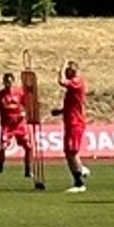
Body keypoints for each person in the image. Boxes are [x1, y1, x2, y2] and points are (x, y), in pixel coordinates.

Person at [0, 72, 33, 179]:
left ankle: (28, 170)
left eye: (10, 81)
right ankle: (0, 168)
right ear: (3, 82)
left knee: (28, 147)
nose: (8, 84)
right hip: (7, 126)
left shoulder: (19, 93)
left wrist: (25, 113)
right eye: (6, 82)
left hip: (19, 125)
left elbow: (28, 106)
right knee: (3, 147)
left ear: (13, 81)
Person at [50, 61, 89, 192]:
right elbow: (73, 105)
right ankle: (80, 171)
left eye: (68, 71)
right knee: (69, 152)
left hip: (75, 123)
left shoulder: (76, 82)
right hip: (70, 121)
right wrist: (61, 111)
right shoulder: (73, 85)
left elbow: (61, 81)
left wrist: (60, 67)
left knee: (71, 152)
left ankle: (79, 182)